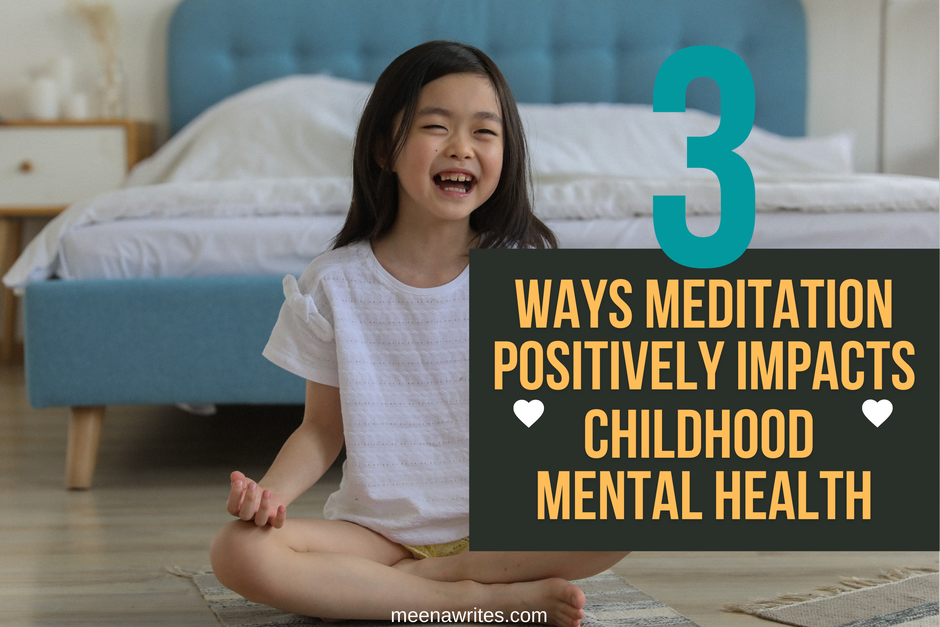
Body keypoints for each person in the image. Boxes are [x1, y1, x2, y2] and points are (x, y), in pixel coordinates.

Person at [210, 40, 628, 627]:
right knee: (236, 550)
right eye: (436, 126)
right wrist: (270, 498)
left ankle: (431, 581)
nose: (462, 147)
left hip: (501, 529)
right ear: (385, 147)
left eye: (485, 132)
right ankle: (468, 601)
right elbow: (321, 429)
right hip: (376, 534)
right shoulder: (335, 282)